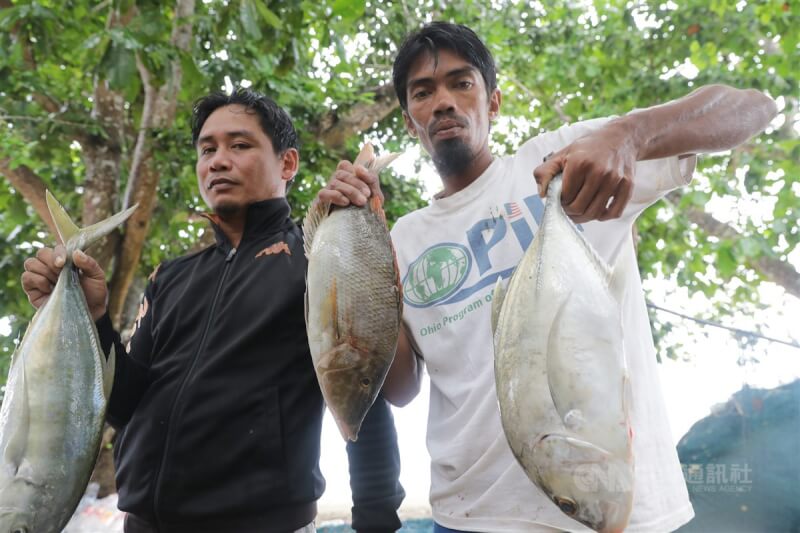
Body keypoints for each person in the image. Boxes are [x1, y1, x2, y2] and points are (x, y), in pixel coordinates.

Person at [317, 22, 777, 533]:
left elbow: (752, 108)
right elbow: (399, 388)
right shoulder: (401, 236)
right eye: (423, 93)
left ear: (493, 103)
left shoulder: (564, 159)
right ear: (409, 121)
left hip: (605, 502)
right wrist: (344, 246)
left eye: (461, 82)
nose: (443, 102)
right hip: (468, 515)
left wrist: (628, 136)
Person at [20, 89, 405, 533]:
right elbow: (126, 405)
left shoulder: (315, 261)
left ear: (288, 163)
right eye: (207, 149)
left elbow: (362, 390)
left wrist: (376, 520)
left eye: (239, 145)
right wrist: (95, 319)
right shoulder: (170, 278)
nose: (218, 161)